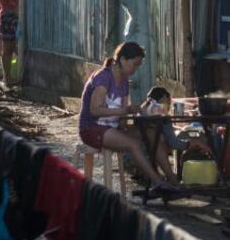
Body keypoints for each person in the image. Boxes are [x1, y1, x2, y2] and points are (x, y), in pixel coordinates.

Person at [78, 42, 179, 192]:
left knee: (152, 134)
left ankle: (172, 179)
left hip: (112, 127)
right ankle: (158, 182)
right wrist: (125, 111)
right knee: (134, 144)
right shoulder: (103, 77)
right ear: (123, 60)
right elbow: (94, 110)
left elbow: (123, 114)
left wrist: (138, 112)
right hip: (92, 128)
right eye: (135, 64)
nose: (135, 69)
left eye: (138, 65)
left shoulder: (124, 80)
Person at [140, 86, 212, 155]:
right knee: (199, 136)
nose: (169, 105)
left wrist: (180, 128)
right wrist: (194, 142)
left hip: (149, 145)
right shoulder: (162, 115)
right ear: (164, 97)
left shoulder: (145, 110)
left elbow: (166, 129)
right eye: (169, 102)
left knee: (192, 132)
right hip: (163, 144)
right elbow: (174, 143)